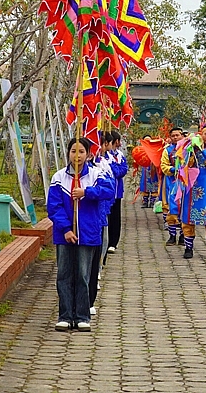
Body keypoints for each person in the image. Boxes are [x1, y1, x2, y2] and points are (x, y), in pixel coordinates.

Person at [48, 137, 115, 332]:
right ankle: (65, 315)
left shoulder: (96, 174)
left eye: (81, 152)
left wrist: (86, 192)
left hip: (88, 233)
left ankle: (82, 316)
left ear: (88, 154)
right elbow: (54, 206)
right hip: (65, 235)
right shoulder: (59, 177)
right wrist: (66, 229)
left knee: (84, 275)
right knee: (64, 274)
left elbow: (108, 191)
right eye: (73, 151)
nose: (77, 156)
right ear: (68, 153)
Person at [180, 126, 206, 260]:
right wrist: (192, 149)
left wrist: (202, 151)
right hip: (191, 187)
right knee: (188, 218)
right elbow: (183, 163)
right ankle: (188, 248)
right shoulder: (189, 148)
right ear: (201, 134)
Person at [88, 132, 117, 317]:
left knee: (100, 244)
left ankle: (95, 275)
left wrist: (88, 192)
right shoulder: (63, 175)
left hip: (99, 214)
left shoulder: (102, 166)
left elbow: (110, 187)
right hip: (72, 227)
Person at [161, 127, 185, 246]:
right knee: (172, 207)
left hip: (185, 183)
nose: (175, 137)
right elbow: (163, 165)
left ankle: (183, 235)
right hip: (171, 182)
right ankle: (172, 236)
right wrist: (172, 169)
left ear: (182, 136)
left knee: (184, 209)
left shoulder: (188, 149)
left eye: (177, 135)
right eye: (173, 136)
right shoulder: (167, 150)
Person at [106, 131, 127, 255]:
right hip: (107, 193)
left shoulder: (119, 155)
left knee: (115, 217)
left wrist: (113, 166)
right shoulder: (104, 157)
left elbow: (122, 170)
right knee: (107, 217)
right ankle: (106, 240)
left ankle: (113, 242)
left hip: (117, 192)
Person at [138, 135, 159, 208]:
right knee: (144, 185)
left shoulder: (154, 149)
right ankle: (145, 201)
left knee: (154, 185)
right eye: (145, 140)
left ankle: (152, 202)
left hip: (153, 169)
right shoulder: (141, 150)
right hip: (145, 169)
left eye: (149, 140)